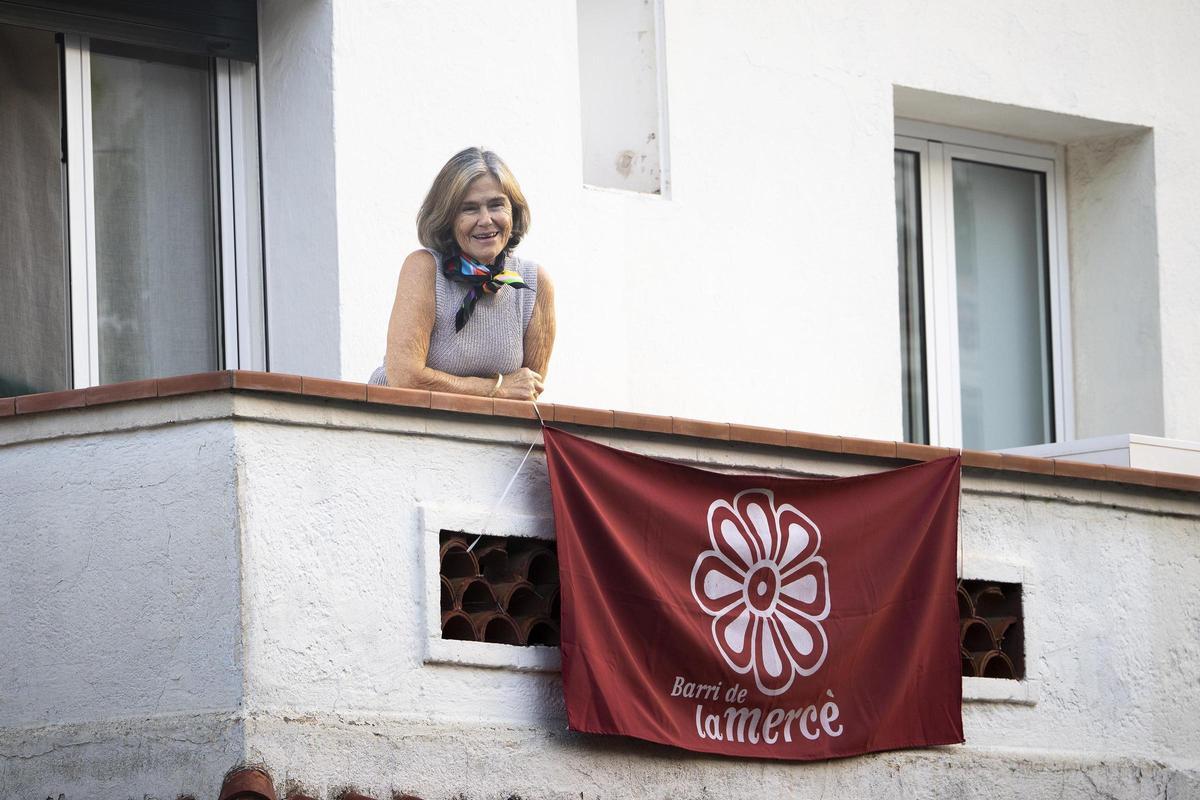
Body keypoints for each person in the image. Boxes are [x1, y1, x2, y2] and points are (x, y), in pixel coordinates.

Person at [372, 148, 555, 400]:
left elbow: (526, 392)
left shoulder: (534, 283)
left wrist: (505, 392)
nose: (486, 220)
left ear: (513, 210)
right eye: (469, 209)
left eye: (496, 205)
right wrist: (496, 388)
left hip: (474, 435)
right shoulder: (424, 269)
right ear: (447, 218)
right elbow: (405, 379)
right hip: (396, 425)